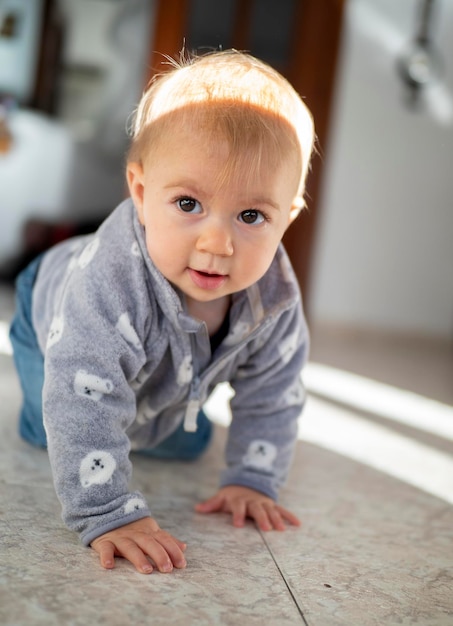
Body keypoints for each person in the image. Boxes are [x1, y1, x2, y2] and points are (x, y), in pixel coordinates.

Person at [9, 50, 315, 575]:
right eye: (189, 204)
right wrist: (106, 512)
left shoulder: (275, 297)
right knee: (57, 420)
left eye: (250, 215)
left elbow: (274, 390)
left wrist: (250, 478)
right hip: (51, 310)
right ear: (142, 192)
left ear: (286, 218)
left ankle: (152, 408)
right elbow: (82, 393)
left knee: (180, 443)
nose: (217, 243)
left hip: (160, 359)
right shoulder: (107, 285)